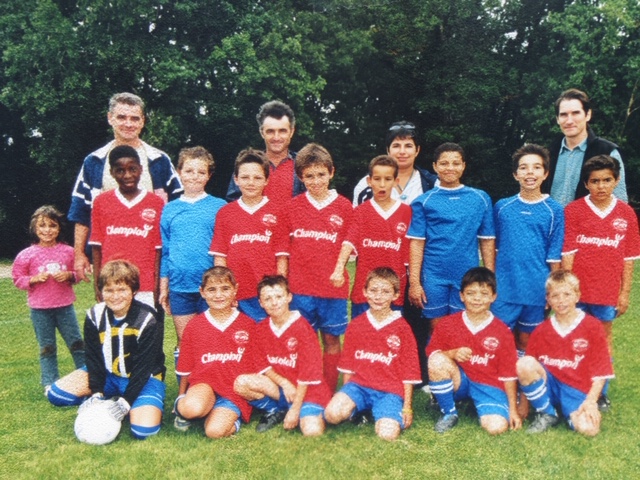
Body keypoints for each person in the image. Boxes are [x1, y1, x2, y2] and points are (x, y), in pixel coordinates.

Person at [47, 260, 166, 441]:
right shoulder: (95, 315)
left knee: (143, 431)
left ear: (133, 291)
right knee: (56, 394)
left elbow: (144, 367)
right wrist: (96, 393)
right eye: (109, 290)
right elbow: (93, 357)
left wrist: (126, 403)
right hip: (109, 375)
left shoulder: (148, 319)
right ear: (101, 292)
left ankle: (131, 402)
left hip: (143, 379)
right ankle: (107, 400)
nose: (115, 296)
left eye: (122, 290)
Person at [69, 92, 182, 281]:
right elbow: (81, 211)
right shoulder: (94, 161)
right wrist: (79, 253)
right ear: (110, 118)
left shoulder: (159, 160)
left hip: (151, 255)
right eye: (122, 117)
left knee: (151, 307)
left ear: (143, 121)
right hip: (109, 257)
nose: (128, 124)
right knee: (113, 306)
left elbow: (179, 210)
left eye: (134, 118)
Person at [561, 154, 640, 410]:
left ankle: (601, 391)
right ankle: (573, 384)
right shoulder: (573, 211)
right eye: (595, 181)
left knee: (602, 339)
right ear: (586, 184)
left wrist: (624, 293)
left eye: (607, 180)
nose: (601, 186)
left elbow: (629, 258)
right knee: (574, 336)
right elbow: (568, 254)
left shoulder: (626, 214)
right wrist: (566, 291)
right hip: (577, 292)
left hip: (606, 291)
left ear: (616, 181)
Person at [407, 143, 495, 370]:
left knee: (462, 327)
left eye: (456, 163)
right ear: (435, 166)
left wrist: (490, 275)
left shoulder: (480, 198)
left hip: (466, 276)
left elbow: (487, 239)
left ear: (464, 166)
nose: (450, 168)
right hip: (434, 275)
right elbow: (417, 242)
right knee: (436, 327)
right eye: (444, 163)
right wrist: (415, 282)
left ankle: (462, 378)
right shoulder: (424, 201)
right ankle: (438, 378)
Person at [276, 143, 353, 392]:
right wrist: (282, 287)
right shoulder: (291, 208)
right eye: (309, 176)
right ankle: (305, 391)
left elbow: (350, 248)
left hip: (332, 289)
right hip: (300, 290)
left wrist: (339, 269)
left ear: (332, 172)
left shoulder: (344, 207)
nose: (316, 181)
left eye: (321, 174)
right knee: (302, 343)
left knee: (331, 340)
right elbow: (283, 253)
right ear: (300, 177)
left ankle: (328, 390)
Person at [324, 268, 420, 441]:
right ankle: (358, 410)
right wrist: (346, 394)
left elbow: (409, 372)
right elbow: (348, 366)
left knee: (387, 435)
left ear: (396, 295)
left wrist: (407, 407)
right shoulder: (356, 325)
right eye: (373, 290)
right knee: (332, 414)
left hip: (389, 391)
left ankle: (381, 412)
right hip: (359, 387)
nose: (378, 296)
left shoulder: (402, 328)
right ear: (365, 292)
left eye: (385, 292)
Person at [517, 270, 614, 436]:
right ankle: (547, 412)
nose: (561, 301)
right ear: (547, 300)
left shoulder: (592, 326)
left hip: (577, 388)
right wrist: (524, 404)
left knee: (589, 429)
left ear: (577, 296)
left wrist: (591, 402)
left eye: (567, 294)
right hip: (550, 385)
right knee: (524, 363)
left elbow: (601, 371)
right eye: (555, 296)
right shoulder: (541, 330)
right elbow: (528, 367)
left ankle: (573, 411)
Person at [427, 267, 520, 434]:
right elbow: (432, 355)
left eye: (484, 294)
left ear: (493, 297)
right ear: (461, 296)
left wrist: (513, 410)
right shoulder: (448, 324)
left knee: (496, 428)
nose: (477, 298)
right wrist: (452, 353)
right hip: (460, 380)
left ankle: (477, 404)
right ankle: (449, 413)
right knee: (437, 360)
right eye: (470, 293)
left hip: (488, 383)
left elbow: (509, 374)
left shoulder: (502, 331)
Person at [234, 275, 331, 435]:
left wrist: (295, 409)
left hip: (308, 392)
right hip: (281, 389)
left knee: (312, 431)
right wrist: (284, 382)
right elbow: (262, 364)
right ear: (261, 303)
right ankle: (276, 410)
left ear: (289, 297)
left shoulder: (303, 329)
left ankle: (303, 411)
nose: (274, 302)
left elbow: (308, 374)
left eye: (279, 296)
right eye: (268, 298)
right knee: (241, 383)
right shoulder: (261, 329)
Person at [492, 144, 564, 355]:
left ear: (545, 173)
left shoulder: (554, 210)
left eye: (536, 167)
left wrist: (552, 291)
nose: (530, 172)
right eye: (523, 168)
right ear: (515, 174)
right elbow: (494, 248)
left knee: (526, 342)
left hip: (536, 288)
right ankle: (500, 384)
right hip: (505, 288)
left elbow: (554, 254)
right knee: (498, 339)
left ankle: (523, 385)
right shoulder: (502, 207)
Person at [159, 146, 226, 371]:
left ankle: (214, 387)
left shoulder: (219, 207)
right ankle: (185, 390)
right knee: (186, 340)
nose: (194, 176)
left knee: (213, 339)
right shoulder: (170, 209)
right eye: (189, 171)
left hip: (210, 287)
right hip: (180, 287)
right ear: (179, 172)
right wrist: (163, 287)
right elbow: (166, 252)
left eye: (200, 172)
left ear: (208, 175)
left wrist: (222, 284)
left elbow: (224, 250)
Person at [173, 267, 256, 438]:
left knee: (214, 431)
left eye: (225, 289)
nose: (219, 295)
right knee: (189, 409)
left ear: (235, 290)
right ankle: (203, 407)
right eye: (212, 290)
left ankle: (228, 416)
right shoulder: (195, 326)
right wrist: (181, 397)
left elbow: (256, 366)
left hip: (234, 392)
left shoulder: (248, 324)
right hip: (205, 385)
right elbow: (186, 366)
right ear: (202, 292)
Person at [12, 206, 85, 394]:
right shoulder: (26, 255)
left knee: (77, 344)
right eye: (42, 226)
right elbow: (17, 279)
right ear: (34, 229)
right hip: (40, 310)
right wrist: (33, 279)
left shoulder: (68, 252)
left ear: (59, 228)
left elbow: (79, 274)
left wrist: (69, 275)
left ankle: (85, 378)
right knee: (47, 348)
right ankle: (50, 383)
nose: (47, 230)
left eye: (52, 225)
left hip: (65, 308)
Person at [330, 155, 412, 318]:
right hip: (364, 291)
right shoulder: (360, 212)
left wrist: (415, 283)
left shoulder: (406, 212)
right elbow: (349, 242)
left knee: (391, 339)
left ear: (396, 182)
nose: (382, 184)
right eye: (377, 179)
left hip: (393, 292)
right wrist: (339, 269)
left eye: (388, 179)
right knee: (361, 339)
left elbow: (411, 254)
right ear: (369, 181)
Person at [210, 148, 284, 321]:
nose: (251, 182)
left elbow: (281, 258)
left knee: (266, 343)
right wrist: (225, 290)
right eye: (245, 177)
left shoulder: (278, 212)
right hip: (236, 295)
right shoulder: (225, 213)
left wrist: (279, 289)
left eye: (257, 177)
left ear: (266, 180)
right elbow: (220, 258)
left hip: (266, 294)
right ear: (236, 179)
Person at [89, 145, 164, 309]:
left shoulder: (156, 203)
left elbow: (158, 249)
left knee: (145, 330)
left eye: (132, 169)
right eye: (120, 170)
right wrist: (98, 284)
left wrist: (156, 285)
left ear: (141, 169)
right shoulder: (101, 202)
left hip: (144, 285)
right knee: (116, 333)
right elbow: (96, 247)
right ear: (112, 173)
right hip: (112, 285)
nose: (127, 175)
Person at [546, 88, 627, 206]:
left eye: (575, 113)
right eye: (563, 115)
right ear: (557, 119)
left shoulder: (607, 152)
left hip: (589, 224)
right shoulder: (548, 154)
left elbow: (620, 202)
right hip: (553, 224)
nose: (569, 121)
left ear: (588, 115)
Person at [226, 100, 304, 207]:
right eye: (270, 131)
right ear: (262, 132)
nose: (276, 137)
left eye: (282, 131)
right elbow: (234, 203)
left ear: (291, 131)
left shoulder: (303, 165)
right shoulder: (248, 164)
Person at [353, 121, 436, 206]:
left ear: (417, 150)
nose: (402, 152)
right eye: (396, 146)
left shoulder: (433, 184)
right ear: (388, 150)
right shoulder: (366, 185)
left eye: (408, 146)